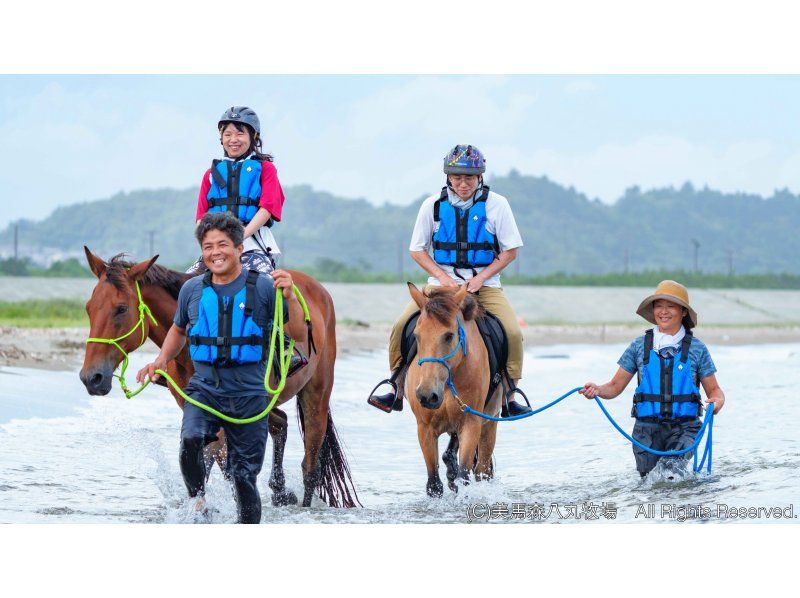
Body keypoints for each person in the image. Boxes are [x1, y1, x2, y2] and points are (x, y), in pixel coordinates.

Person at [136, 212, 307, 523]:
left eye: (222, 244)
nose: (214, 252)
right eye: (207, 246)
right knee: (190, 439)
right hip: (205, 388)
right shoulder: (192, 290)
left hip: (250, 394)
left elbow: (298, 333)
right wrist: (160, 360)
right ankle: (198, 504)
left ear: (240, 249)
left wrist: (291, 297)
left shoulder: (265, 287)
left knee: (243, 478)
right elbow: (178, 330)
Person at [368, 144, 531, 417]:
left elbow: (510, 251)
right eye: (457, 178)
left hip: (485, 286)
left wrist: (480, 279)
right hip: (440, 286)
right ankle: (395, 385)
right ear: (448, 178)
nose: (463, 184)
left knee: (513, 332)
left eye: (469, 178)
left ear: (480, 177)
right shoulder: (431, 205)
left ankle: (510, 392)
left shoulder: (498, 205)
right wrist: (443, 278)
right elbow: (417, 250)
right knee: (400, 326)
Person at [579, 280, 726, 478]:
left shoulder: (697, 349)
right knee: (649, 482)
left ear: (683, 312)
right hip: (646, 431)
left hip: (685, 428)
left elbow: (715, 391)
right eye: (659, 306)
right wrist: (597, 390)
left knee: (672, 472)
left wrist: (716, 403)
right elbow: (614, 386)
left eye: (670, 306)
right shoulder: (638, 346)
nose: (663, 311)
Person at [187, 106, 285, 275]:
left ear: (253, 136)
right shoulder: (210, 175)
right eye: (228, 134)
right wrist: (213, 244)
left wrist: (238, 238)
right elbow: (200, 218)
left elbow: (267, 209)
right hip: (217, 247)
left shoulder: (266, 169)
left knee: (266, 287)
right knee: (185, 286)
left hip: (253, 243)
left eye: (240, 134)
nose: (233, 139)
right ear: (221, 138)